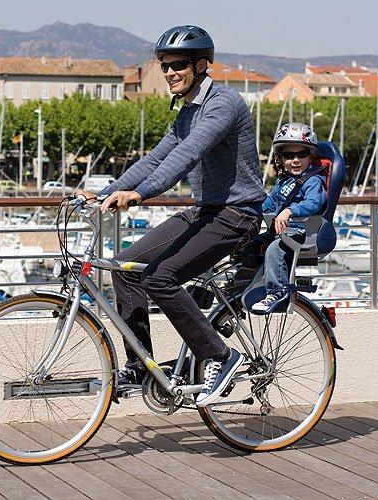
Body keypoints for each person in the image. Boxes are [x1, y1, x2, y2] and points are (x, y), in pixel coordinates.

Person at [78, 25, 265, 407]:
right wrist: (106, 192)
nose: (169, 73)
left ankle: (221, 356)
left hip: (236, 214)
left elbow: (187, 156)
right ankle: (141, 367)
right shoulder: (185, 114)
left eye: (178, 64)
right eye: (164, 65)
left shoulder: (223, 104)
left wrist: (141, 194)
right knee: (124, 267)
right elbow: (156, 158)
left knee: (160, 278)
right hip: (204, 211)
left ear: (201, 65)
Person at [251, 123, 327, 313]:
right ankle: (245, 283)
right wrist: (251, 211)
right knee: (248, 243)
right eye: (288, 155)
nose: (295, 160)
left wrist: (290, 211)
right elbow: (270, 202)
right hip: (281, 230)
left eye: (301, 154)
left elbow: (314, 203)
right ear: (280, 158)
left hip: (302, 230)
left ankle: (278, 292)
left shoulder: (313, 181)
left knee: (274, 250)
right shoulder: (283, 181)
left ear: (311, 157)